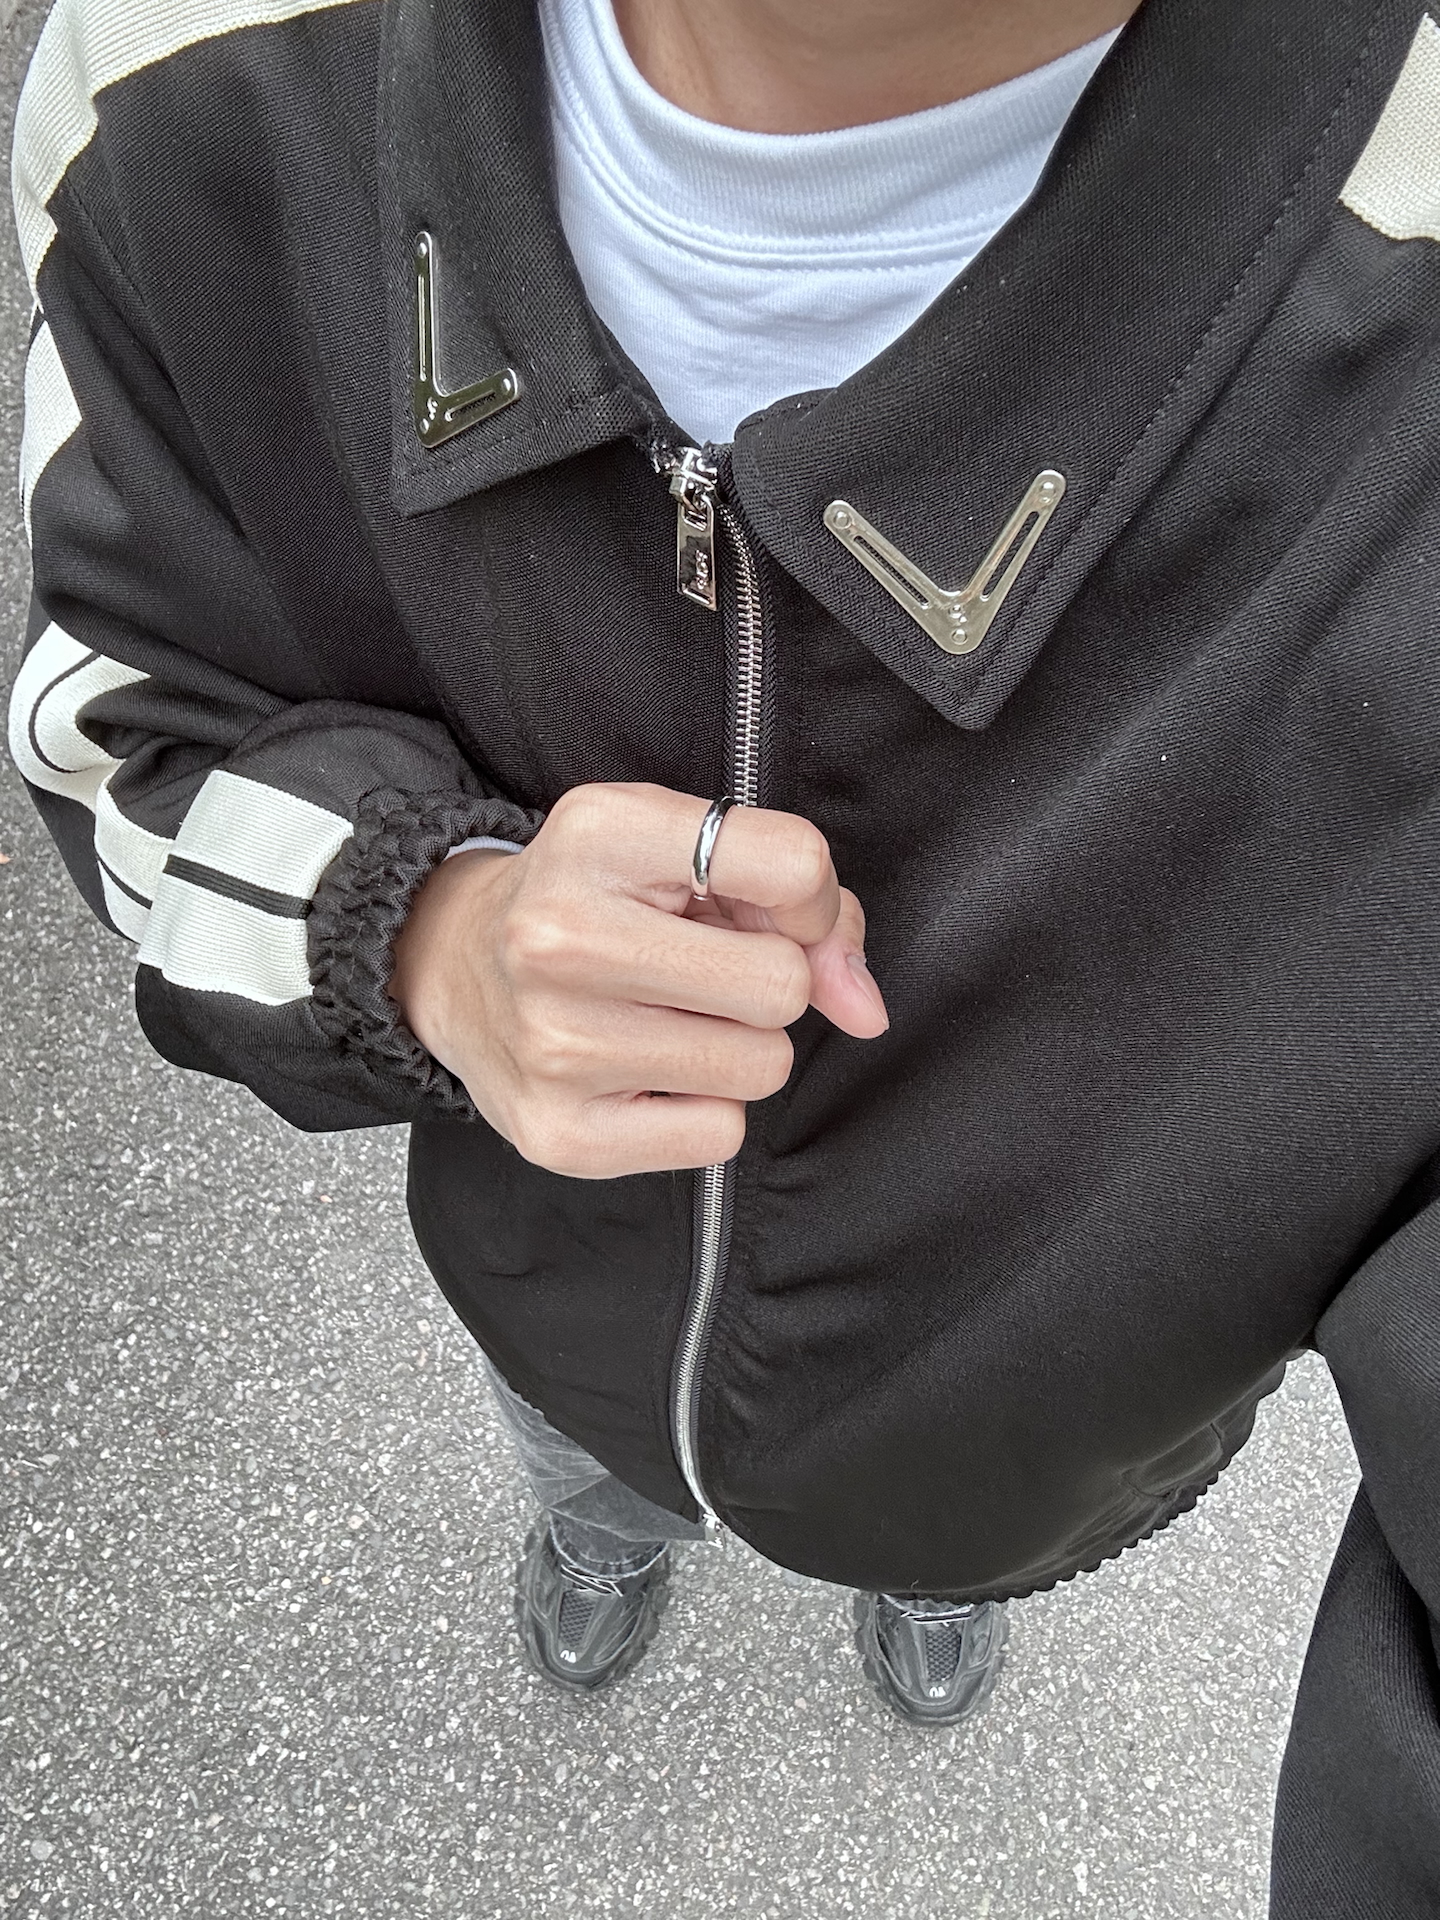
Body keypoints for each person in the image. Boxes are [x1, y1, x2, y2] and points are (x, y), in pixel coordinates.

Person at [8, 0, 1440, 1905]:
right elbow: (120, 728)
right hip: (551, 1292)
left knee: (953, 1524)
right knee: (586, 1456)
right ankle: (615, 1525)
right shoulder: (176, 79)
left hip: (1032, 1438)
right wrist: (417, 927)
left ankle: (936, 1572)